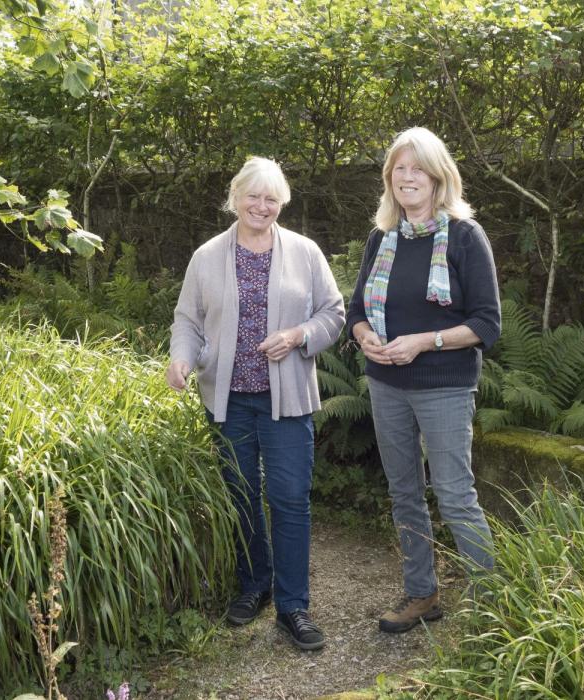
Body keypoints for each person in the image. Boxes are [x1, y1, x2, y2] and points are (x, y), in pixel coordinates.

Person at [167, 157, 344, 651]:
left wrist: (297, 334)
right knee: (240, 495)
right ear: (235, 197)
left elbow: (333, 313)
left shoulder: (306, 253)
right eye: (253, 196)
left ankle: (293, 606)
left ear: (282, 204)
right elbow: (188, 320)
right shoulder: (206, 256)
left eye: (272, 199)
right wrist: (180, 359)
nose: (261, 206)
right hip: (229, 402)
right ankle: (254, 586)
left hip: (287, 401)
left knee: (289, 498)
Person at [346, 127, 500, 633]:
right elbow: (355, 312)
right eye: (398, 168)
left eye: (418, 169)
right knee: (404, 492)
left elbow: (486, 324)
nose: (406, 177)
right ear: (389, 178)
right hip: (386, 384)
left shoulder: (463, 236)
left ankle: (494, 606)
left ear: (439, 178)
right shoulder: (381, 238)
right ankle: (421, 594)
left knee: (454, 493)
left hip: (444, 385)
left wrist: (422, 342)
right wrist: (366, 336)